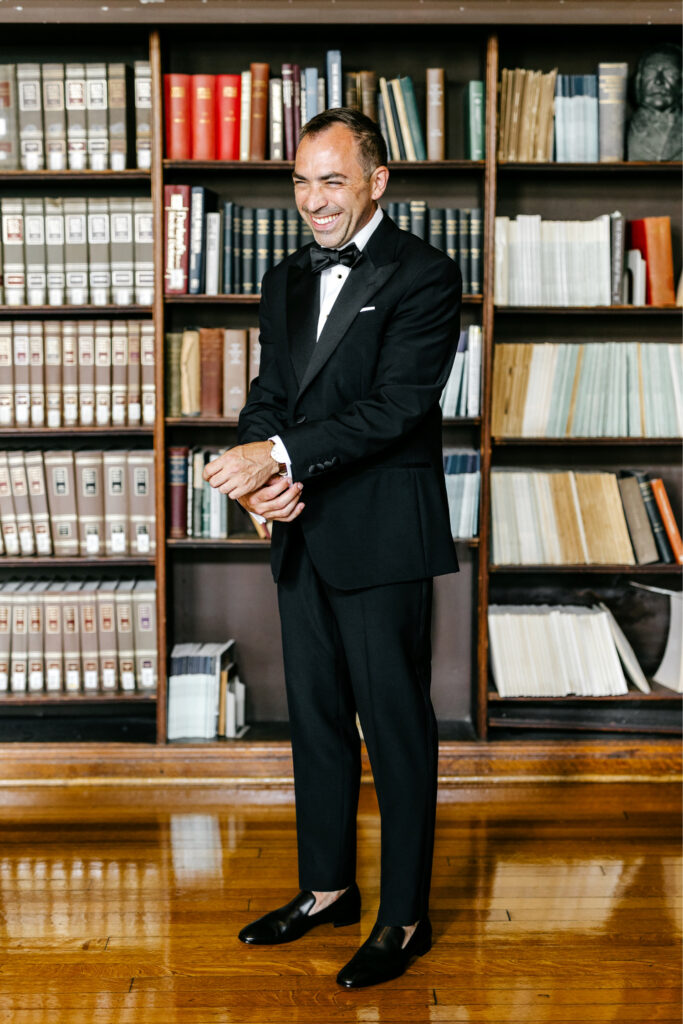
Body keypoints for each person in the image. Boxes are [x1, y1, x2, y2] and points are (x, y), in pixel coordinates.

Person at [203, 107, 461, 989]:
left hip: (383, 533)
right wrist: (264, 476)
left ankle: (405, 916)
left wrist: (274, 457)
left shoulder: (425, 273)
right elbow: (270, 393)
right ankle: (326, 891)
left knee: (394, 729)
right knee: (313, 722)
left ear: (377, 182)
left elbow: (396, 409)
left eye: (333, 180)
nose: (314, 200)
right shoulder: (282, 278)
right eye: (302, 181)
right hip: (302, 528)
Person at [627, 44, 682, 160]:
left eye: (670, 73)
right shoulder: (620, 132)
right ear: (638, 81)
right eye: (650, 72)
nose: (658, 81)